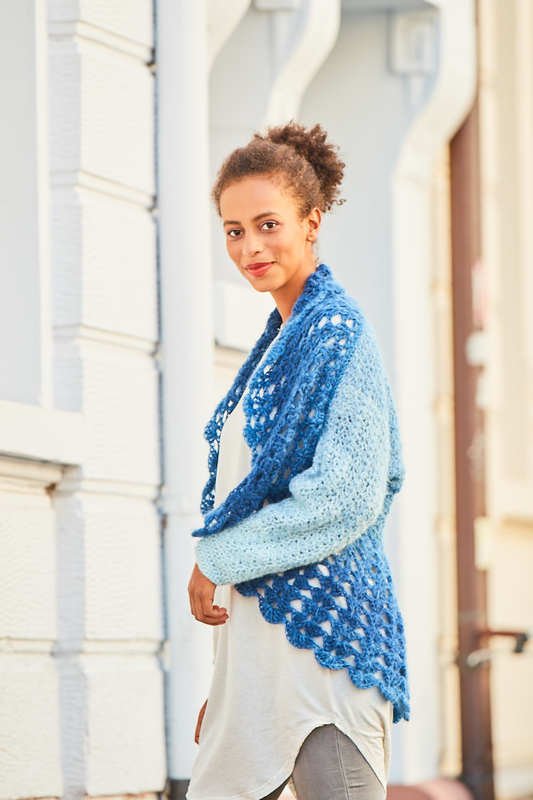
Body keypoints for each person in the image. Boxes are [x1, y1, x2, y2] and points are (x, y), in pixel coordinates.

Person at [186, 121, 410, 800]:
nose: (249, 247)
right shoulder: (283, 340)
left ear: (311, 222)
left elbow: (346, 495)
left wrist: (215, 560)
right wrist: (234, 680)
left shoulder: (335, 333)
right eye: (233, 230)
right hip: (266, 660)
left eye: (267, 225)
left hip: (322, 652)